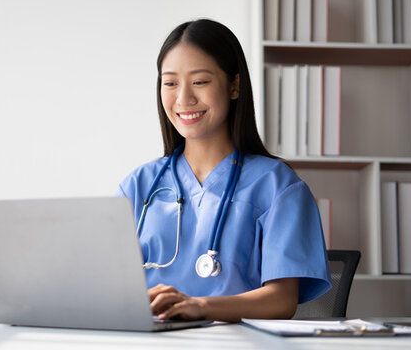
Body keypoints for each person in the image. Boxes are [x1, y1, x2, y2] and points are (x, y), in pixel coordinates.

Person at [116, 19, 331, 322]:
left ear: (234, 86)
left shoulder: (277, 186)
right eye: (170, 83)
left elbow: (282, 300)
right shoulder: (138, 185)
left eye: (200, 82)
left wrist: (201, 307)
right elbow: (108, 289)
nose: (184, 99)